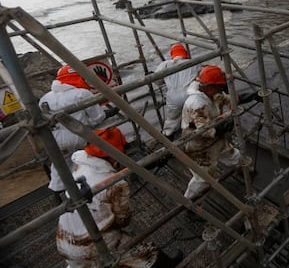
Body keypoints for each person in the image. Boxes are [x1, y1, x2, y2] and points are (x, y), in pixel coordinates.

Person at [56, 127, 183, 267]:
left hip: (64, 241)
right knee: (144, 253)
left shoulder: (80, 165)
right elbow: (123, 220)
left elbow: (103, 173)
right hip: (91, 243)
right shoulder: (116, 184)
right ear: (113, 154)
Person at [181, 65, 260, 199]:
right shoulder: (196, 104)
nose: (220, 90)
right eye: (219, 87)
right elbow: (204, 131)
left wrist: (253, 96)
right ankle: (190, 203)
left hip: (216, 141)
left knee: (237, 157)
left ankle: (242, 171)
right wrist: (224, 125)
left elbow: (229, 100)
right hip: (199, 147)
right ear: (209, 86)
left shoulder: (211, 93)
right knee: (203, 179)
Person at [39, 65, 118, 193]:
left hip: (54, 139)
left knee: (60, 168)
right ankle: (89, 191)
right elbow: (96, 118)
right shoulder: (82, 93)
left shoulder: (45, 98)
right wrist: (108, 113)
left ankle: (61, 194)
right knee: (84, 164)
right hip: (77, 136)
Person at [155, 43, 200, 139]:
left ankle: (168, 138)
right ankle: (194, 134)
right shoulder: (194, 63)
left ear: (172, 54)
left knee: (172, 120)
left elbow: (157, 81)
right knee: (194, 117)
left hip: (173, 96)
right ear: (185, 53)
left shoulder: (165, 64)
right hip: (190, 95)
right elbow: (200, 78)